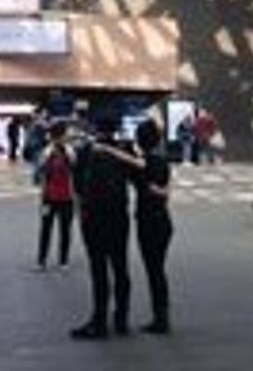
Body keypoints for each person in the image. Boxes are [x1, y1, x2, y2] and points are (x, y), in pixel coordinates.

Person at [101, 120, 175, 334]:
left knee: (155, 271)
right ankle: (161, 315)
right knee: (158, 270)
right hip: (164, 222)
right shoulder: (162, 161)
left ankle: (161, 319)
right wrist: (158, 191)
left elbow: (135, 164)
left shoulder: (145, 163)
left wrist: (108, 149)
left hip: (148, 223)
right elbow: (166, 190)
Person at [69, 115, 134, 340]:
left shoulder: (86, 152)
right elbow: (137, 175)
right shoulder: (124, 150)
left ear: (95, 129)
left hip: (94, 217)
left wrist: (81, 214)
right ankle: (122, 319)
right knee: (120, 266)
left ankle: (99, 321)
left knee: (99, 269)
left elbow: (76, 186)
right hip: (119, 216)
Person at [34, 121, 76, 271]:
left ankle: (63, 260)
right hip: (49, 197)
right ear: (59, 136)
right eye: (66, 134)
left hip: (67, 197)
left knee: (65, 230)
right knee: (46, 228)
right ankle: (41, 260)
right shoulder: (46, 152)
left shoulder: (70, 152)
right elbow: (38, 174)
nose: (68, 136)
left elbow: (76, 171)